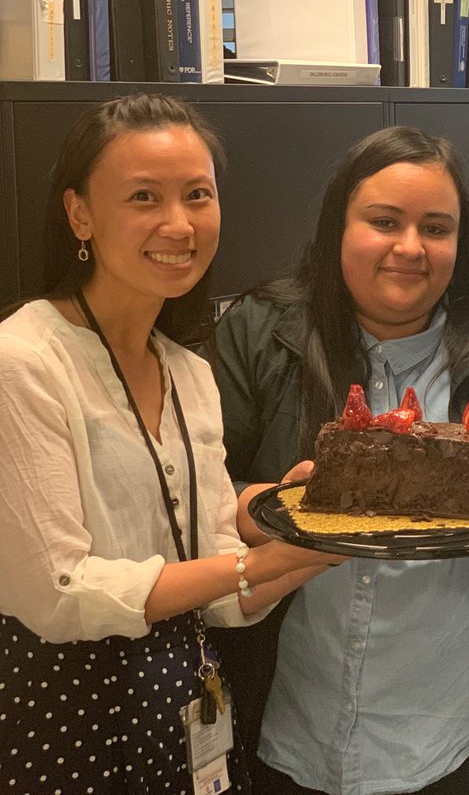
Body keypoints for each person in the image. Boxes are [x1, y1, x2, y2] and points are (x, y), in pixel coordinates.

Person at [206, 125, 469, 794]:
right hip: (283, 728)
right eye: (384, 221)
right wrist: (273, 508)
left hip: (453, 746)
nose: (410, 248)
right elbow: (198, 502)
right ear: (337, 228)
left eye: (436, 228)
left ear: (460, 246)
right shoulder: (260, 332)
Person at [0, 94, 340, 793]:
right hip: (63, 706)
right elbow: (60, 591)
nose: (179, 224)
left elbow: (217, 584)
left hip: (182, 696)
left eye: (197, 195)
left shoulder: (189, 373)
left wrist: (333, 539)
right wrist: (260, 560)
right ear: (80, 214)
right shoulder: (25, 361)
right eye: (144, 197)